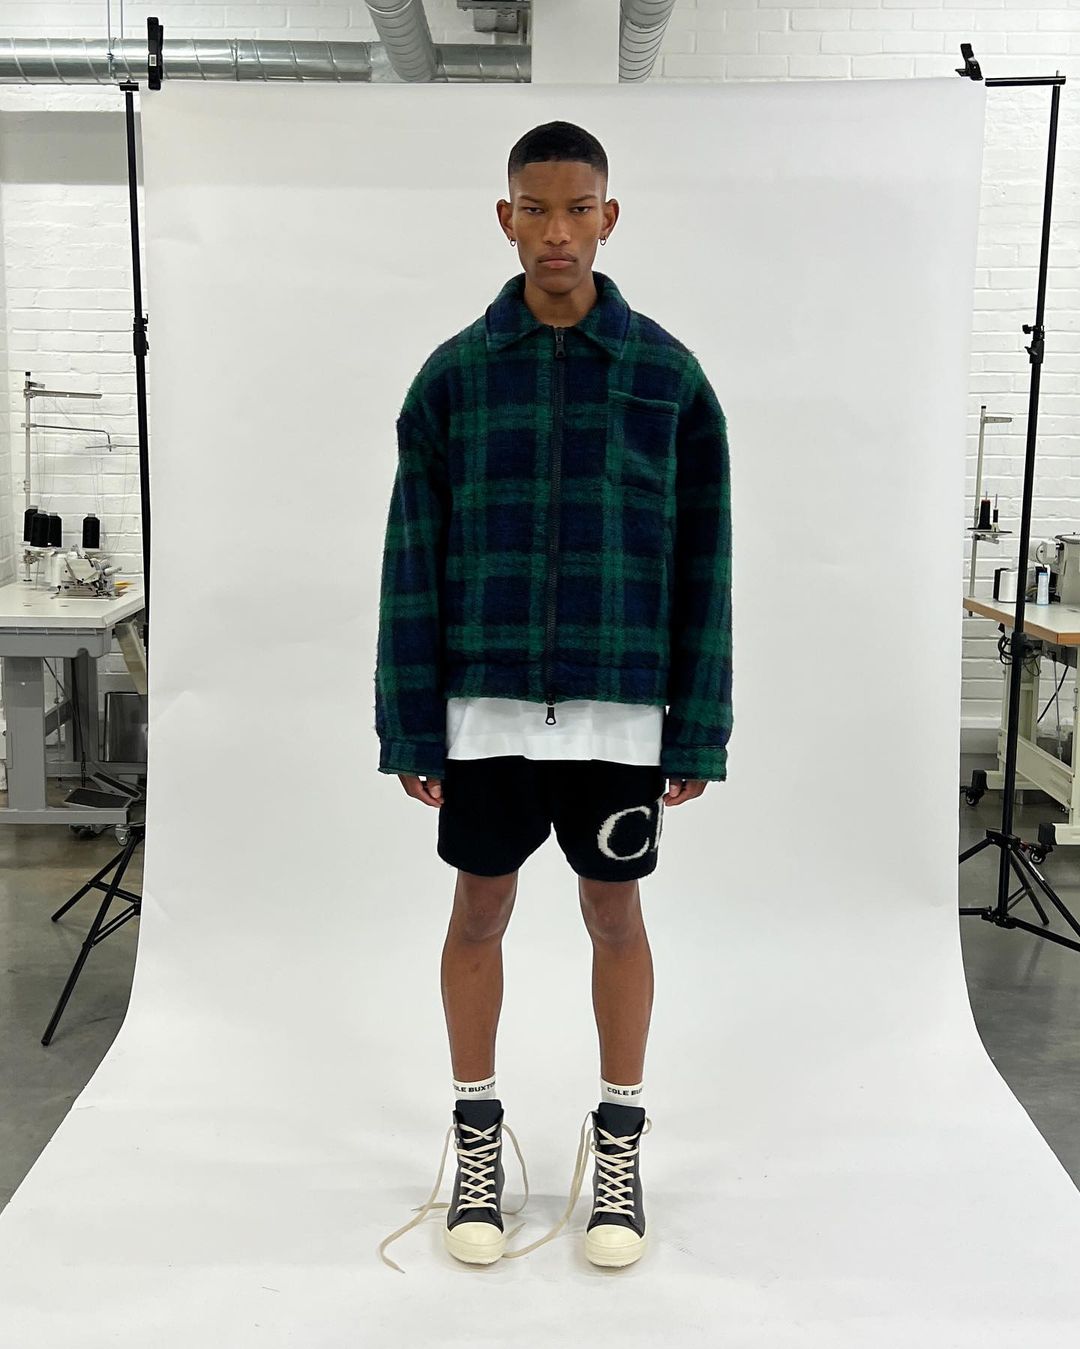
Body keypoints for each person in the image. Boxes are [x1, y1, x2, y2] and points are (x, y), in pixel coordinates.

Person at [375, 120, 732, 1272]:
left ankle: (617, 1143)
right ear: (507, 219)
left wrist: (698, 721)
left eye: (579, 209)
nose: (558, 232)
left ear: (608, 218)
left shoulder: (669, 380)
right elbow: (411, 556)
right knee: (479, 908)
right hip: (484, 709)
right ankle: (477, 1136)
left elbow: (707, 561)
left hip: (618, 709)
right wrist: (410, 717)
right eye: (536, 209)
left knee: (614, 913)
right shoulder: (453, 378)